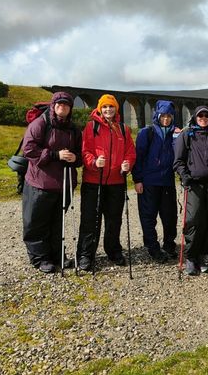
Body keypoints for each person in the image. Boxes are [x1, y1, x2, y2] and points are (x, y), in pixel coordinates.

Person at [22, 91, 82, 274]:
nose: (63, 107)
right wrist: (55, 155)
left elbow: (81, 155)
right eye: (59, 104)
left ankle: (58, 255)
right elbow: (29, 149)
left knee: (58, 223)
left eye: (66, 104)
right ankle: (40, 258)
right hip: (40, 183)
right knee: (37, 222)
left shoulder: (74, 129)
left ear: (70, 108)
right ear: (53, 106)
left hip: (63, 184)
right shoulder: (40, 123)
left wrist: (75, 158)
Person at [76, 94, 136, 271]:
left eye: (111, 107)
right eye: (104, 107)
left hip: (116, 182)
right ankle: (86, 254)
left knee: (114, 220)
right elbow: (85, 150)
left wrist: (127, 165)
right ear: (99, 109)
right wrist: (94, 162)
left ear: (116, 109)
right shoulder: (91, 126)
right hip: (94, 181)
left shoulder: (123, 129)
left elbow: (130, 152)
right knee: (90, 220)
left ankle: (113, 250)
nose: (108, 110)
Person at [173, 105, 208, 276]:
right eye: (200, 115)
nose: (203, 118)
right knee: (194, 220)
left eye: (206, 115)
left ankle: (202, 255)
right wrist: (184, 175)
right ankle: (191, 257)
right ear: (195, 117)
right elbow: (178, 161)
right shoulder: (186, 134)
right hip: (194, 184)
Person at [131, 100, 180, 263]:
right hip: (149, 181)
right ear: (157, 115)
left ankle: (169, 244)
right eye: (163, 115)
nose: (166, 119)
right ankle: (153, 247)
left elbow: (179, 155)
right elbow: (138, 157)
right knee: (148, 217)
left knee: (170, 216)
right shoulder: (147, 132)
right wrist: (137, 179)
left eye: (169, 116)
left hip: (167, 181)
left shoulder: (176, 133)